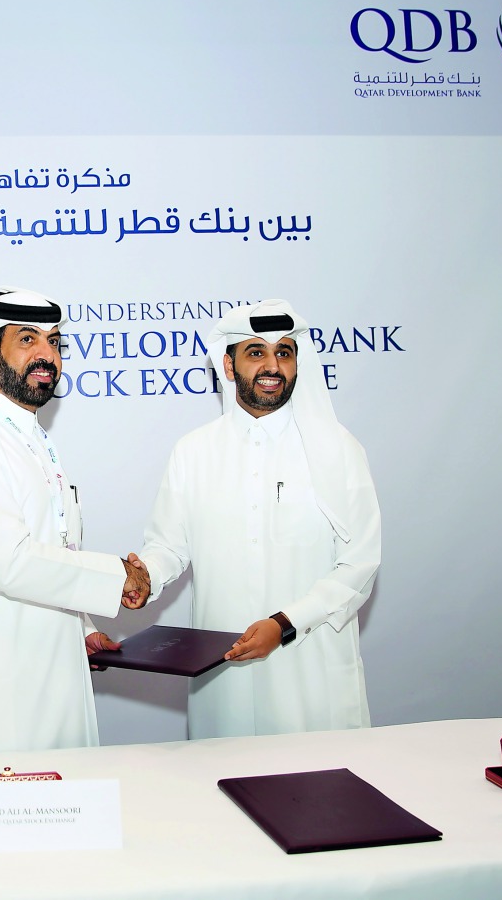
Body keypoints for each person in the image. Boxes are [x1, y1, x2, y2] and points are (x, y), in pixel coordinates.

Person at [0, 287, 150, 755]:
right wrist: (116, 576)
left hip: (53, 671)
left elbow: (52, 549)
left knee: (67, 814)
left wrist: (80, 629)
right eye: (27, 340)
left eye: (54, 342)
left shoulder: (32, 438)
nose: (47, 355)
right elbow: (9, 563)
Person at [138, 299, 380, 737]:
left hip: (308, 670)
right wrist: (143, 578)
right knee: (219, 791)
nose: (273, 365)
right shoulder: (193, 451)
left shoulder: (337, 450)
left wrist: (284, 624)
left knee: (318, 795)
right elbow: (168, 546)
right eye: (256, 353)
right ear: (228, 367)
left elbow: (359, 564)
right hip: (222, 670)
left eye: (284, 353)